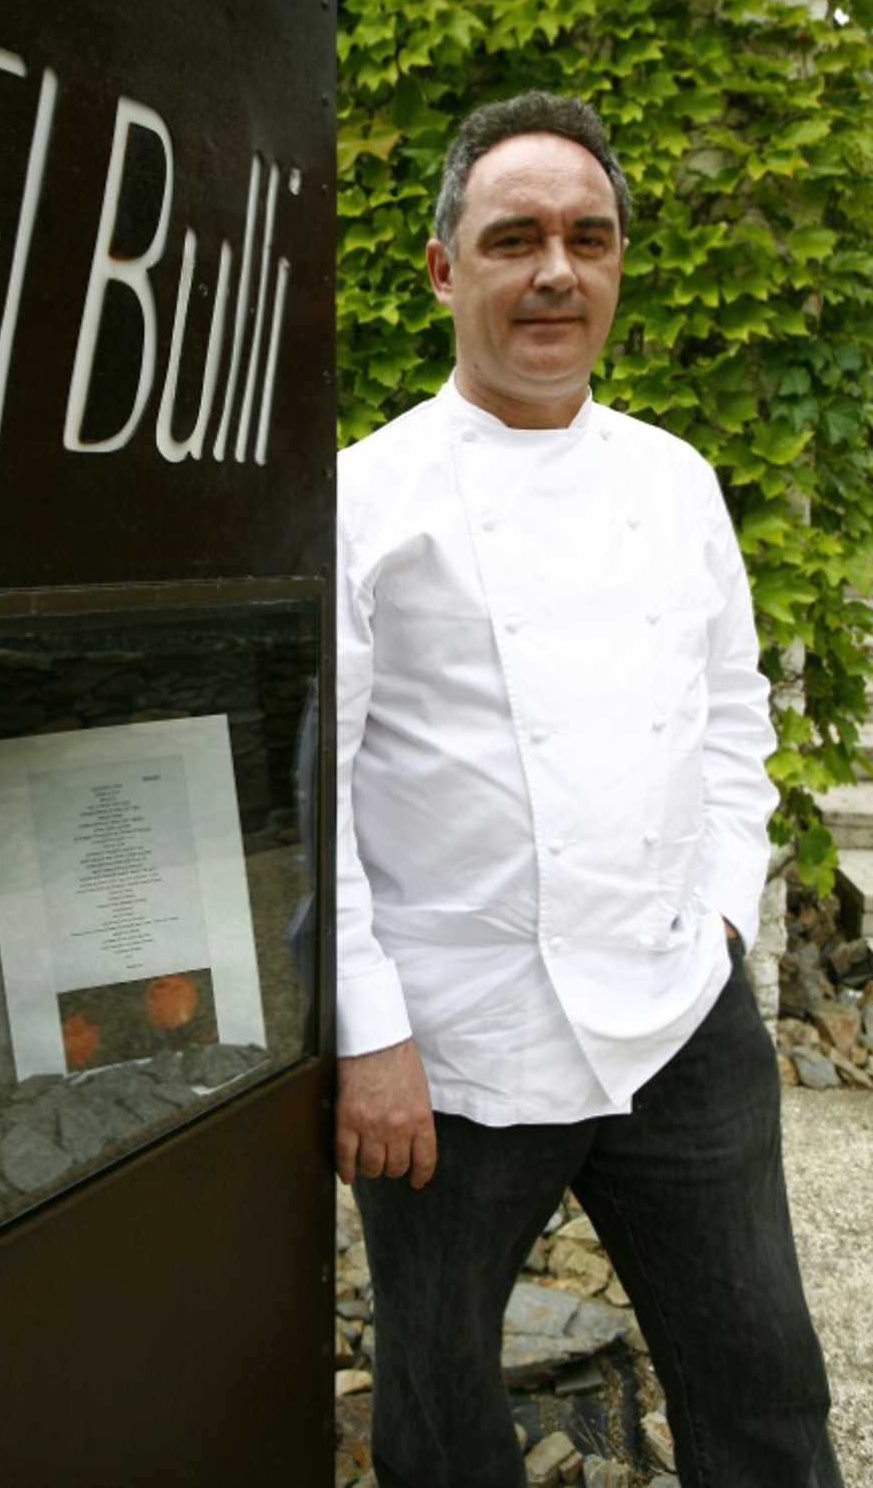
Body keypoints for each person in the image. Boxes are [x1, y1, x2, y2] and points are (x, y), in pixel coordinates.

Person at [334, 91, 843, 1488]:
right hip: (457, 1049)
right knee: (441, 1411)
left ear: (617, 263)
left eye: (588, 237)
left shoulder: (676, 481)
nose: (556, 271)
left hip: (678, 1014)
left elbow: (733, 716)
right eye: (515, 239)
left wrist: (722, 916)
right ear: (444, 269)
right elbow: (308, 790)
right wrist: (369, 1035)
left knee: (764, 1382)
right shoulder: (365, 500)